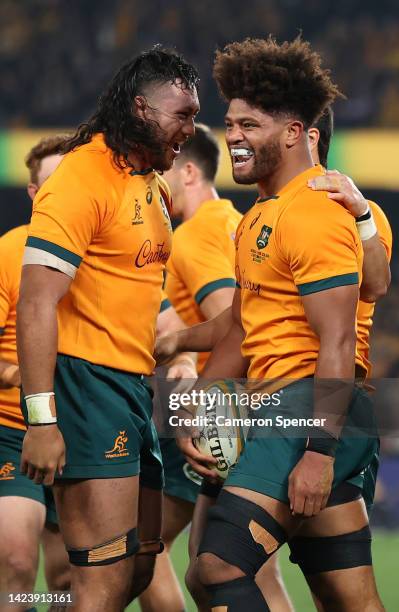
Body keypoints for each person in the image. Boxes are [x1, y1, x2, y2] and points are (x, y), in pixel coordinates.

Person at [178, 37, 385, 610]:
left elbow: (338, 337)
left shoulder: (318, 212)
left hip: (306, 409)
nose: (234, 136)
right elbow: (242, 333)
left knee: (215, 568)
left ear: (295, 133)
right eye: (231, 123)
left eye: (251, 124)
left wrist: (319, 451)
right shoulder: (256, 221)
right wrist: (197, 406)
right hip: (278, 405)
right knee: (350, 600)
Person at [16, 47, 199, 611]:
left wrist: (180, 352)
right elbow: (36, 302)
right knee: (101, 578)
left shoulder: (150, 184)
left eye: (195, 115)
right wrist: (42, 420)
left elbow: (140, 291)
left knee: (139, 566)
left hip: (129, 390)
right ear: (140, 109)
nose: (189, 131)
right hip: (85, 385)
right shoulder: (81, 177)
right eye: (182, 115)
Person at [140, 124, 248, 612]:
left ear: (188, 171)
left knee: (138, 546)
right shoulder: (235, 222)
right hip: (236, 409)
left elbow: (233, 322)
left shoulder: (195, 235)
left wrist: (198, 404)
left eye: (162, 171)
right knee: (220, 570)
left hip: (209, 414)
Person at [0, 135, 70, 611]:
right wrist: (16, 376)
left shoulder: (100, 254)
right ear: (32, 193)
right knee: (18, 563)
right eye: (51, 184)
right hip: (13, 430)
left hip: (85, 429)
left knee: (70, 578)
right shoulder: (9, 254)